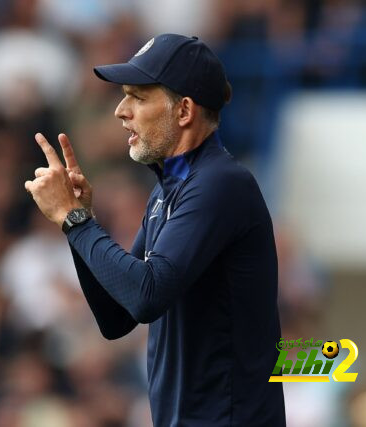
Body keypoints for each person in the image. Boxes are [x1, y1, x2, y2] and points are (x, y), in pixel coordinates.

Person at [24, 33, 286, 426]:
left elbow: (147, 294)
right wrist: (81, 218)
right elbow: (118, 317)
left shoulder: (220, 183)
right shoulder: (171, 188)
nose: (120, 111)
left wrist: (73, 220)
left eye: (138, 97)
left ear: (183, 111)